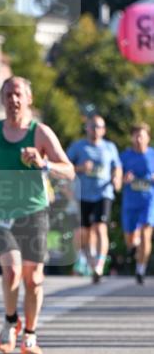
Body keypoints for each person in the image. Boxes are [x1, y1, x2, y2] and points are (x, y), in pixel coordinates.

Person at [0, 76, 74, 354]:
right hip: (2, 214)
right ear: (1, 100)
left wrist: (44, 163)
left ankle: (29, 333)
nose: (13, 100)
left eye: (18, 94)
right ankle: (10, 323)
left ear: (29, 99)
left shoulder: (40, 132)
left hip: (33, 212)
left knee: (33, 278)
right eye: (7, 95)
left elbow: (69, 169)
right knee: (11, 271)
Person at [67, 114, 122, 283]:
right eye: (92, 126)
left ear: (104, 130)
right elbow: (66, 167)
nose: (95, 130)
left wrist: (117, 179)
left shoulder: (110, 147)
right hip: (83, 194)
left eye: (99, 127)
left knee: (100, 227)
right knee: (84, 233)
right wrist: (80, 168)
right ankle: (89, 261)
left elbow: (117, 166)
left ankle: (98, 265)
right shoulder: (78, 147)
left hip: (103, 193)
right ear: (87, 128)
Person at [120, 122, 154, 284]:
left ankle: (140, 269)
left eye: (142, 135)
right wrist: (124, 179)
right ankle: (134, 248)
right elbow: (117, 180)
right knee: (130, 240)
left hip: (149, 201)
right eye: (136, 135)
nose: (139, 139)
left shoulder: (153, 155)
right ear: (132, 138)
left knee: (146, 235)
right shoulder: (125, 156)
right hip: (130, 203)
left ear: (148, 138)